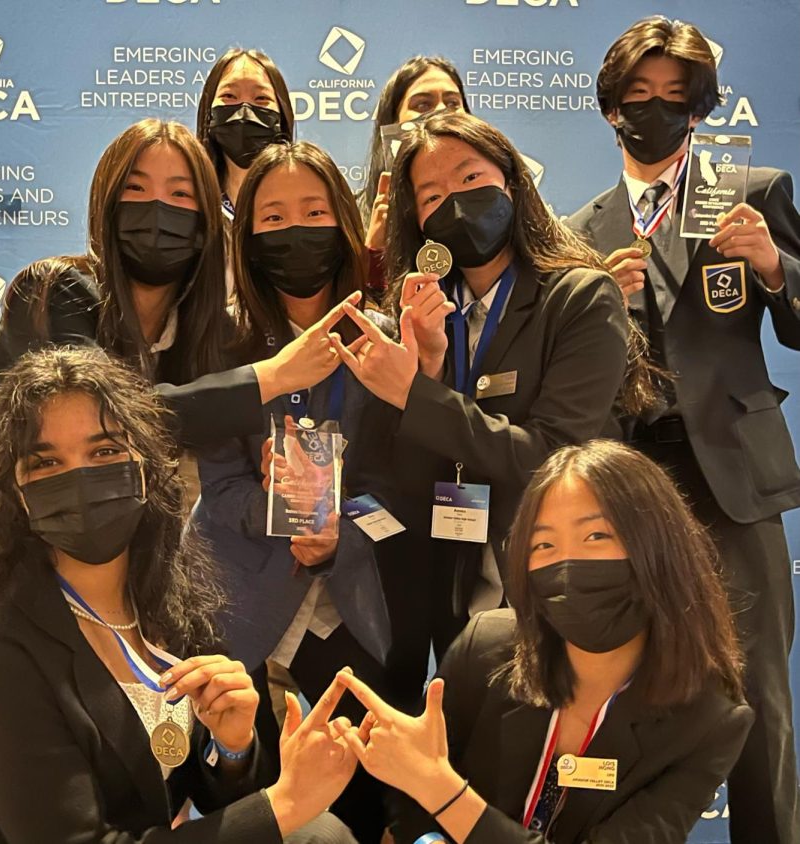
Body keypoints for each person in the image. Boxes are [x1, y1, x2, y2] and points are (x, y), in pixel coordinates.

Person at [0, 118, 352, 839]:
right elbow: (106, 408)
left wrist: (236, 747)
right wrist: (272, 377)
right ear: (104, 208)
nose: (158, 212)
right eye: (135, 191)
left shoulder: (196, 341)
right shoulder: (58, 291)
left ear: (210, 224)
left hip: (58, 569)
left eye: (181, 195)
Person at [0, 346, 359, 844]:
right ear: (16, 492)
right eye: (46, 462)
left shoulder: (177, 606)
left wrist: (234, 749)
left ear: (145, 467)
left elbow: (212, 802)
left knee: (323, 833)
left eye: (103, 452)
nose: (79, 478)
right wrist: (284, 805)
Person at [565, 17, 800, 844]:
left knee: (759, 697)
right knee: (614, 689)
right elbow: (568, 376)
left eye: (674, 99)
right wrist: (596, 297)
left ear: (699, 108)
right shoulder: (577, 232)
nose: (654, 114)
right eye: (638, 98)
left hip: (730, 477)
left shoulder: (754, 191)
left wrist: (776, 268)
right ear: (609, 110)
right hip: (625, 484)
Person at [330, 111, 642, 709]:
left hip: (555, 587)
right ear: (417, 221)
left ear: (512, 182)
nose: (456, 201)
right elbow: (412, 483)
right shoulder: (427, 315)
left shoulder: (580, 297)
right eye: (432, 194)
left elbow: (553, 457)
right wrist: (427, 367)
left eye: (470, 178)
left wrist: (416, 394)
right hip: (456, 594)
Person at [333, 439, 753, 844]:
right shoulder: (487, 645)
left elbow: (429, 781)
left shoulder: (709, 722)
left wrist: (443, 792)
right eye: (544, 544)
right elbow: (411, 794)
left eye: (596, 537)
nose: (568, 565)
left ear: (659, 548)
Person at [193, 140, 397, 843]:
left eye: (313, 211)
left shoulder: (386, 341)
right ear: (246, 237)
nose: (295, 230)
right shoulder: (223, 344)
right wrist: (274, 510)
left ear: (343, 221)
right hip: (240, 606)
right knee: (243, 803)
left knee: (367, 797)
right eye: (272, 217)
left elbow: (402, 492)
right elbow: (214, 488)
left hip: (354, 604)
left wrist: (345, 532)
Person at [358, 56, 469, 297]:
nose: (441, 112)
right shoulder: (357, 216)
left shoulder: (492, 202)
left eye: (452, 103)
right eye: (422, 105)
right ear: (393, 120)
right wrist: (375, 256)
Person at [196, 49, 294, 226]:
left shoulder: (303, 196)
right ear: (208, 111)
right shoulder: (192, 199)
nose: (244, 112)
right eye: (229, 96)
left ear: (281, 113)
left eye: (261, 98)